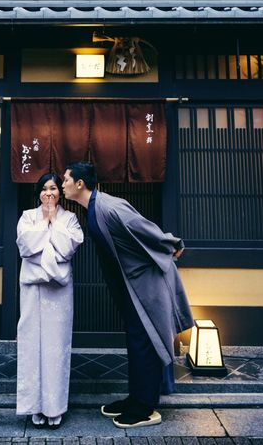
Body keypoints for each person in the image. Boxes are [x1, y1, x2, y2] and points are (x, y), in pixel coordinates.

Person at [62, 161, 194, 429]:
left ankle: (145, 407)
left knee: (146, 343)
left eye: (65, 180)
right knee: (137, 342)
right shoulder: (93, 209)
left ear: (79, 184)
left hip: (146, 283)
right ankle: (136, 398)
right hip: (131, 286)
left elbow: (141, 225)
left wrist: (171, 243)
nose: (62, 184)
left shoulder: (109, 206)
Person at [16, 171, 84, 428]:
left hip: (59, 294)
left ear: (60, 192)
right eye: (44, 188)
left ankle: (54, 407)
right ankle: (34, 405)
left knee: (56, 347)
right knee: (32, 344)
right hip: (33, 291)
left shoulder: (70, 219)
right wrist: (48, 233)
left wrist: (53, 223)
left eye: (54, 188)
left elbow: (68, 249)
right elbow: (24, 247)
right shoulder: (27, 217)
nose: (48, 193)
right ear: (38, 192)